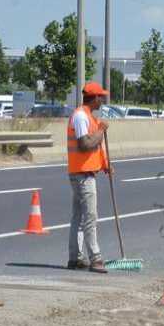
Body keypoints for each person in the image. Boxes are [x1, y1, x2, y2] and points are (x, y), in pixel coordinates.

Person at [67, 82, 111, 274]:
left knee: (78, 217)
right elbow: (85, 144)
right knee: (90, 216)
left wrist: (105, 165)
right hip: (82, 175)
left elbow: (95, 148)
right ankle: (96, 258)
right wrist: (101, 130)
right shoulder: (80, 117)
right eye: (101, 96)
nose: (103, 99)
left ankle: (75, 258)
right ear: (94, 98)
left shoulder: (88, 117)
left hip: (84, 172)